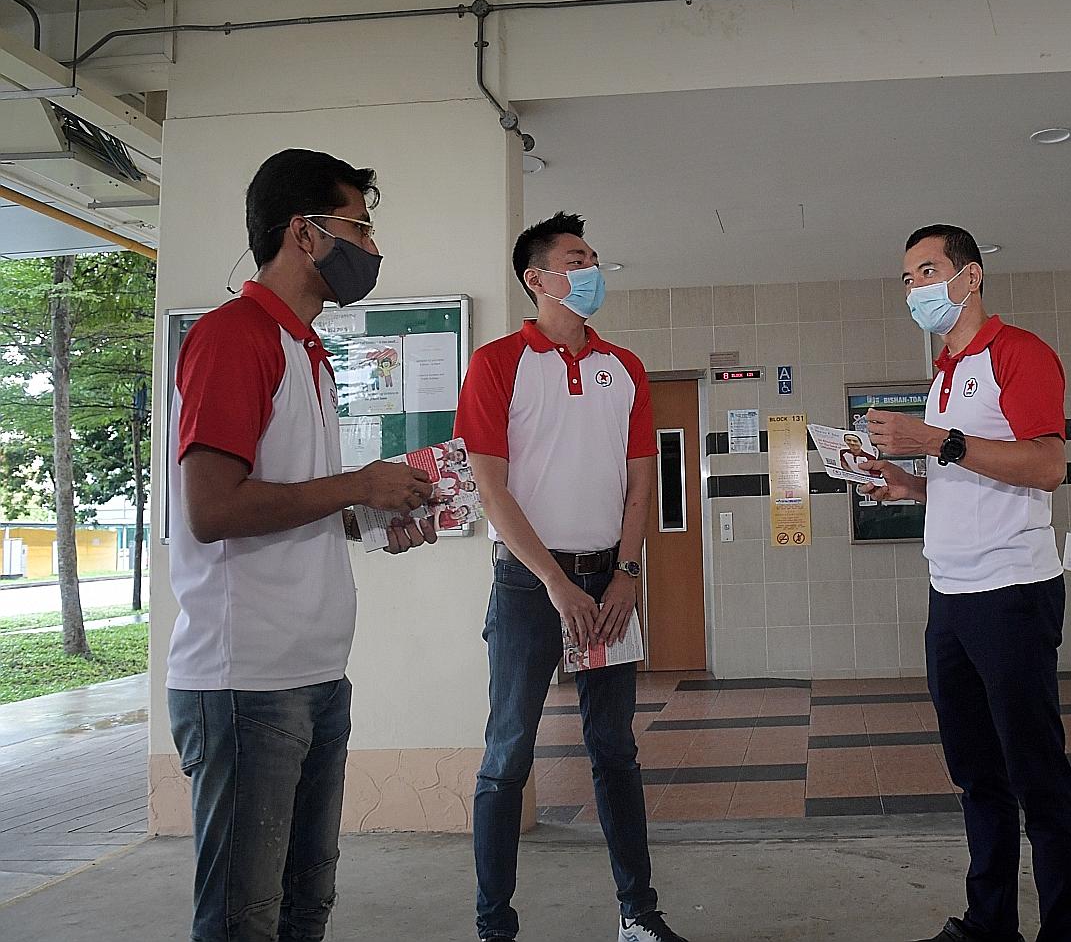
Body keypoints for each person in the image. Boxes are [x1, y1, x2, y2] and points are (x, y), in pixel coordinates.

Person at [167, 148, 438, 942]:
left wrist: (375, 514)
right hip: (246, 681)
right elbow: (213, 508)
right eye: (360, 225)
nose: (373, 247)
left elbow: (289, 496)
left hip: (316, 673)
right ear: (305, 234)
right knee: (241, 919)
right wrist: (356, 485)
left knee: (303, 908)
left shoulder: (309, 352)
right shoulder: (232, 337)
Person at [454, 212, 689, 942]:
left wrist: (625, 573)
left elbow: (641, 479)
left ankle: (638, 916)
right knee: (507, 754)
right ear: (537, 278)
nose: (592, 269)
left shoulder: (626, 367)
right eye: (576, 257)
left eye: (594, 257)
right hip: (531, 586)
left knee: (615, 751)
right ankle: (495, 926)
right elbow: (490, 486)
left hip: (606, 582)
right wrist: (556, 583)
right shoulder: (496, 364)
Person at [860, 224, 1071, 942]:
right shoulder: (945, 375)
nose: (916, 288)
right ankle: (990, 924)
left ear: (971, 276)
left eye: (928, 270)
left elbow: (1046, 466)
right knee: (975, 776)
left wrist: (931, 442)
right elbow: (971, 475)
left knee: (1037, 778)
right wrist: (911, 485)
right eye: (907, 278)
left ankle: (1061, 932)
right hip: (950, 597)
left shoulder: (1020, 354)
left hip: (1013, 591)